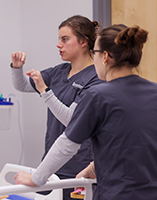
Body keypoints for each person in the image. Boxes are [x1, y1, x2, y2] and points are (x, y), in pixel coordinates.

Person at [14, 24, 157, 199]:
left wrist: (36, 179)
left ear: (105, 57)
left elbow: (67, 144)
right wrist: (94, 167)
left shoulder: (99, 95)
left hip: (118, 193)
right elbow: (132, 141)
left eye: (95, 53)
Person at [10, 15, 103, 199]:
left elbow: (73, 121)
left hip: (78, 167)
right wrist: (16, 68)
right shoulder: (59, 71)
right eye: (59, 39)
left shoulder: (95, 78)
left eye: (65, 39)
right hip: (51, 164)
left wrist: (45, 92)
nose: (58, 44)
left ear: (84, 41)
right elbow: (23, 86)